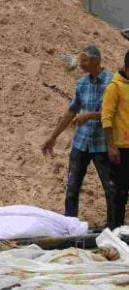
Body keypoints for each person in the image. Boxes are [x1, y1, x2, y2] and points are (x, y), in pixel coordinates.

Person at [41, 45, 114, 227]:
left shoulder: (111, 83)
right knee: (72, 188)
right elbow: (71, 111)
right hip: (81, 143)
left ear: (96, 61)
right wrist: (53, 137)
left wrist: (89, 116)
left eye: (85, 61)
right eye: (81, 61)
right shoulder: (82, 83)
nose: (80, 64)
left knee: (111, 189)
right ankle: (70, 226)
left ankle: (113, 227)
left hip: (102, 144)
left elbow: (114, 113)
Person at [101, 50, 129, 228]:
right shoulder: (114, 87)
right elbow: (106, 118)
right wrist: (111, 146)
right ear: (126, 67)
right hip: (120, 149)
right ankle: (114, 228)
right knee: (119, 192)